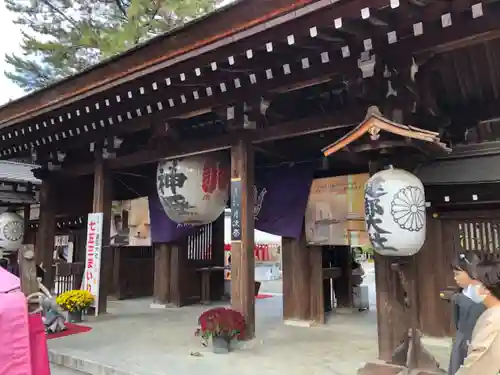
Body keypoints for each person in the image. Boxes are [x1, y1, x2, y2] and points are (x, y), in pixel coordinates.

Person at [455, 260, 500, 375]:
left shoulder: (494, 320)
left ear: (485, 288)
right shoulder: (492, 313)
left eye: (475, 281)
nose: (472, 285)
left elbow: (478, 358)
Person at [446, 253, 486, 375]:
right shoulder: (464, 292)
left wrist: (458, 299)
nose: (455, 278)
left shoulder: (481, 293)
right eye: (454, 274)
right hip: (461, 339)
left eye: (457, 274)